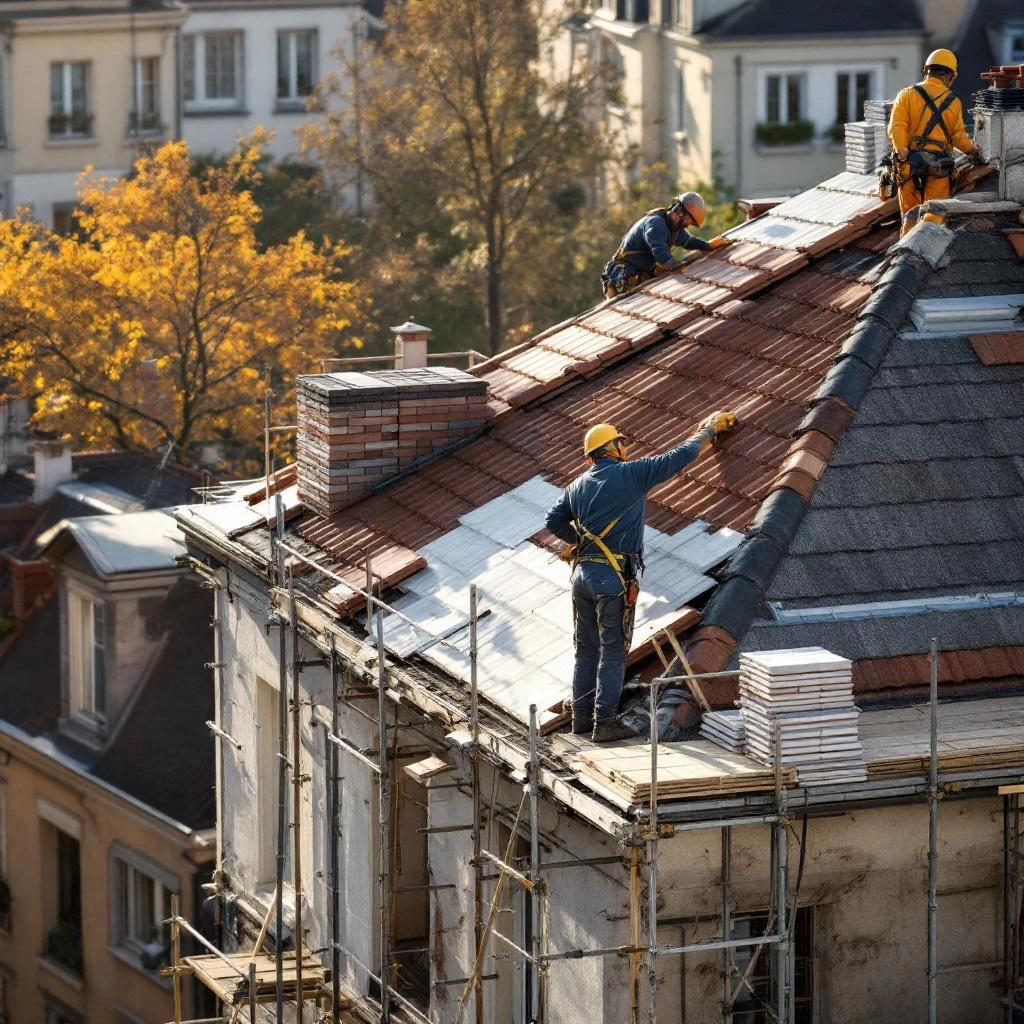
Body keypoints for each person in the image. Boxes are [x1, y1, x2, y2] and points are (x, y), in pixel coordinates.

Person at [544, 412, 737, 742]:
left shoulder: (577, 485)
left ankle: (580, 717)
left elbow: (553, 521)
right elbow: (678, 457)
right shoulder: (631, 474)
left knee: (586, 651)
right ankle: (603, 722)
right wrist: (706, 431)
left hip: (582, 577)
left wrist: (579, 540)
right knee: (613, 652)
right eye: (621, 442)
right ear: (614, 448)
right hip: (612, 577)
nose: (624, 447)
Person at [887, 48, 982, 236]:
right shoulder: (953, 101)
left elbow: (897, 126)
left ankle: (906, 255)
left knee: (910, 215)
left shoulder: (906, 95)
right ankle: (926, 251)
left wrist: (902, 151)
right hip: (938, 167)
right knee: (934, 214)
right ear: (950, 76)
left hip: (908, 166)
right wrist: (974, 151)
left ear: (926, 70)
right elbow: (958, 138)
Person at [601, 192, 731, 299]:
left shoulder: (674, 228)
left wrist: (708, 246)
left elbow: (689, 242)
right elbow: (662, 257)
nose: (687, 225)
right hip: (623, 275)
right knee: (623, 304)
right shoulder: (656, 225)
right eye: (688, 221)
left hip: (642, 272)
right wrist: (686, 273)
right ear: (680, 212)